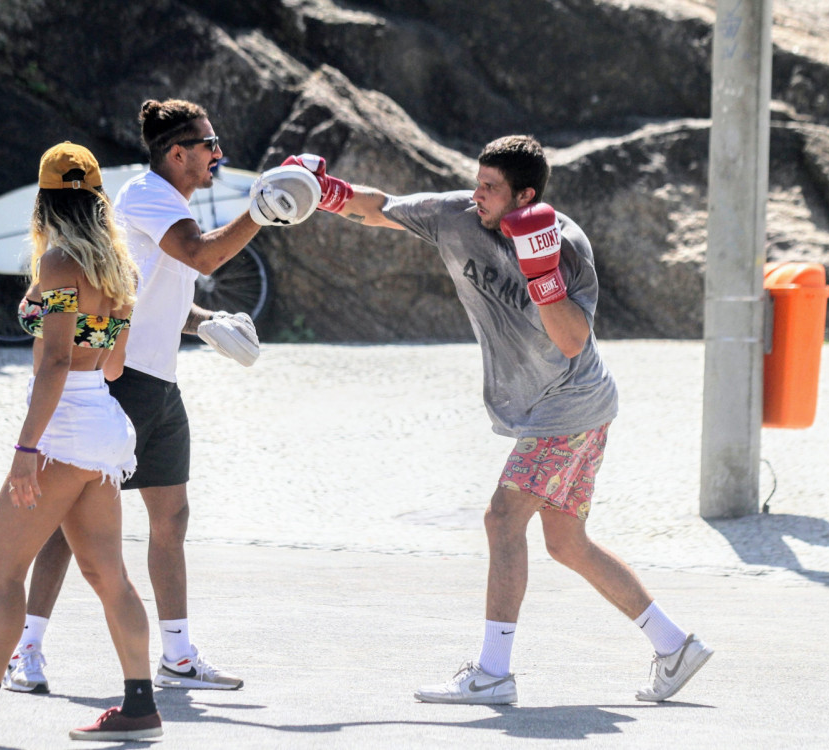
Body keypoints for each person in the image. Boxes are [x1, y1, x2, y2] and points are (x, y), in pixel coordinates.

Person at [286, 135, 713, 704]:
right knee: (567, 544)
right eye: (477, 181)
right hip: (557, 408)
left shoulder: (565, 244)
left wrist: (540, 271)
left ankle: (492, 673)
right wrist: (319, 192)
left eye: (491, 187)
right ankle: (674, 645)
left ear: (525, 195)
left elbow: (570, 339)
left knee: (502, 518)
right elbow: (379, 207)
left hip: (571, 403)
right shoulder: (456, 216)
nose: (478, 194)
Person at [3, 99, 303, 695]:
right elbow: (202, 254)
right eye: (210, 145)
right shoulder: (146, 195)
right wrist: (260, 212)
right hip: (121, 381)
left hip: (159, 382)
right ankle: (25, 652)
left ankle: (178, 656)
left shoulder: (171, 205)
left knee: (172, 517)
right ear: (177, 153)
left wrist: (204, 321)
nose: (219, 154)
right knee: (68, 527)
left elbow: (157, 295)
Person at [0, 143, 162, 742]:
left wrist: (25, 450)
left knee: (1, 569)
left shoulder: (59, 262)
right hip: (103, 427)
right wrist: (41, 314)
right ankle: (140, 707)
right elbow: (109, 366)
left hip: (61, 432)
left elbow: (56, 360)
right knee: (110, 575)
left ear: (44, 201)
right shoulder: (119, 265)